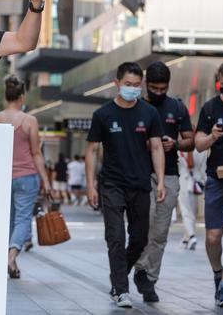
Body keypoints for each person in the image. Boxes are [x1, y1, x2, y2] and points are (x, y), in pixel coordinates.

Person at [85, 62, 165, 308]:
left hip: (140, 183)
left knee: (140, 239)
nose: (132, 89)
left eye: (136, 86)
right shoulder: (103, 114)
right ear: (116, 83)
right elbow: (91, 151)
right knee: (116, 237)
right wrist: (90, 186)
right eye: (127, 85)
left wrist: (160, 180)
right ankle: (121, 289)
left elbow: (156, 147)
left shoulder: (149, 113)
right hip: (112, 184)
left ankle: (118, 275)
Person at [132, 61, 194, 302]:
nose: (158, 93)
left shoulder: (177, 108)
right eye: (154, 88)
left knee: (160, 231)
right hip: (140, 175)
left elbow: (189, 139)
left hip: (168, 174)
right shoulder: (136, 106)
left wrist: (175, 144)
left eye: (163, 89)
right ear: (146, 85)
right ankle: (137, 267)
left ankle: (148, 278)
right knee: (142, 227)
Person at [0, 75, 51, 279]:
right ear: (22, 97)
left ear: (6, 95)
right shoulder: (29, 121)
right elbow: (35, 153)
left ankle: (11, 262)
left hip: (2, 177)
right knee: (23, 218)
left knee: (8, 219)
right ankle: (11, 256)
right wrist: (46, 180)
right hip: (26, 176)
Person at [195, 61, 223, 307]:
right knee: (212, 237)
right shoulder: (210, 108)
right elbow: (198, 144)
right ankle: (218, 273)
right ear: (219, 82)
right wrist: (212, 137)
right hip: (217, 179)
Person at [177, 150, 205, 250]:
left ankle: (192, 236)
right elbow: (203, 167)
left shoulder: (181, 148)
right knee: (191, 211)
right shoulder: (202, 149)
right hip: (196, 181)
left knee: (186, 211)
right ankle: (186, 238)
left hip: (185, 181)